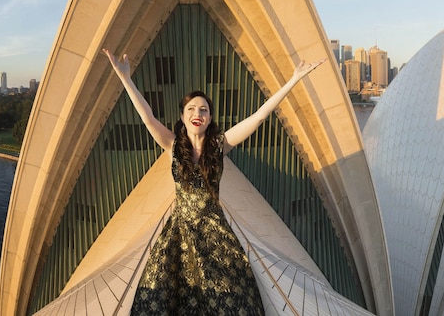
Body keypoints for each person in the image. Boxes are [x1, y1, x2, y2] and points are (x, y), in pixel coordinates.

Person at [103, 49, 325, 315]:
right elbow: (147, 117)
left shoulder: (220, 147)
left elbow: (259, 117)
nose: (198, 113)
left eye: (204, 109)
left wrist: (294, 79)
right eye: (191, 109)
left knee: (232, 302)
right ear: (183, 117)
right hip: (179, 235)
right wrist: (125, 78)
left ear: (209, 119)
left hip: (214, 235)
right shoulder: (173, 146)